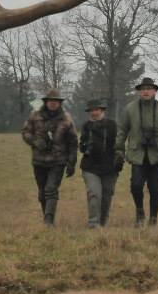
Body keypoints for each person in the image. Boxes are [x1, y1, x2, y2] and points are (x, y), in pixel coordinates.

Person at [115, 77, 158, 227]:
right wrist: (119, 150)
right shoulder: (130, 109)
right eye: (143, 89)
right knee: (136, 186)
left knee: (155, 188)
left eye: (149, 89)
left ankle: (153, 218)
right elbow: (122, 130)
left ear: (155, 91)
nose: (145, 91)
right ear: (139, 91)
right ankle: (139, 213)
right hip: (137, 154)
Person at [21, 89, 78, 226]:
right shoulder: (35, 116)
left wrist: (72, 162)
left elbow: (73, 141)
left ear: (60, 103)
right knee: (42, 193)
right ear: (46, 102)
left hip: (58, 161)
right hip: (39, 161)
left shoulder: (66, 118)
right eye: (51, 101)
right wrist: (35, 141)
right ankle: (46, 216)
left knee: (51, 189)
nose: (53, 104)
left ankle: (49, 221)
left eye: (56, 102)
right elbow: (25, 132)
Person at [79, 98, 121, 228]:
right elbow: (81, 146)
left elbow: (119, 144)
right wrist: (86, 147)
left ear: (102, 110)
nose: (94, 112)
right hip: (90, 167)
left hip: (109, 166)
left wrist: (119, 159)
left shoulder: (112, 125)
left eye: (96, 109)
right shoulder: (86, 126)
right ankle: (93, 223)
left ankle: (103, 222)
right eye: (91, 110)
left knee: (107, 195)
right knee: (94, 193)